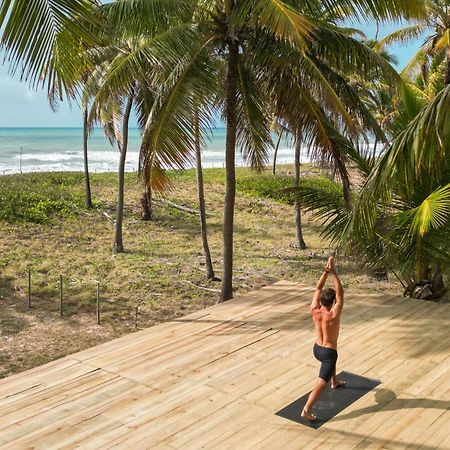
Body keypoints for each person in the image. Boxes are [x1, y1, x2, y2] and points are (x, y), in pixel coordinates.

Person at [301, 256, 345, 421]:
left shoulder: (314, 309)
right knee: (321, 382)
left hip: (317, 349)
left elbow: (318, 288)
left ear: (320, 300)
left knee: (330, 363)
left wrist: (325, 272)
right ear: (332, 302)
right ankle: (307, 409)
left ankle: (335, 381)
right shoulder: (333, 314)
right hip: (328, 353)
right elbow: (340, 292)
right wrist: (334, 272)